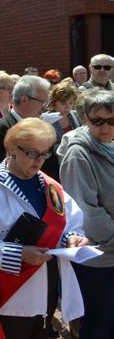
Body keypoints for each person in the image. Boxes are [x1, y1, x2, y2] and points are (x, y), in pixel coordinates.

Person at [0, 118, 88, 339]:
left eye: (45, 153)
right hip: (8, 293)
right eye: (32, 153)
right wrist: (18, 254)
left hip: (47, 285)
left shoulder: (49, 186)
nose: (39, 161)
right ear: (11, 149)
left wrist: (73, 237)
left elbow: (71, 220)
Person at [58, 89, 114, 339]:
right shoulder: (78, 153)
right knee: (99, 327)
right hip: (100, 258)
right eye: (97, 121)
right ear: (85, 119)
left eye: (112, 120)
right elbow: (87, 212)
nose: (105, 127)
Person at [0, 76, 55, 177]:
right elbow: (0, 173)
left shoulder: (44, 128)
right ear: (24, 100)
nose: (45, 108)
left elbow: (52, 167)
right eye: (43, 102)